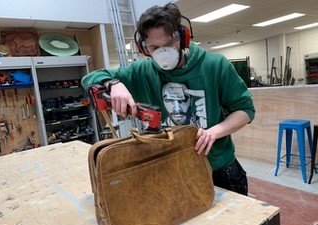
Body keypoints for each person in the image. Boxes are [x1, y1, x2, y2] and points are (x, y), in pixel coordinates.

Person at [81, 3, 255, 195]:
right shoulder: (142, 71)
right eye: (154, 47)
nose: (162, 53)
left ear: (182, 38)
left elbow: (245, 110)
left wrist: (214, 132)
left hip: (219, 171)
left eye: (168, 44)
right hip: (173, 171)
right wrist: (114, 84)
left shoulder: (215, 66)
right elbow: (89, 78)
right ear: (144, 48)